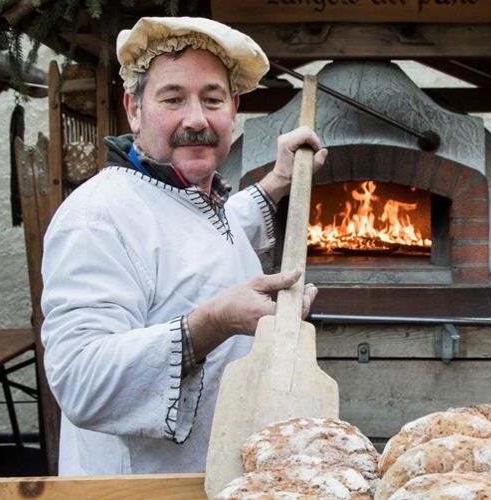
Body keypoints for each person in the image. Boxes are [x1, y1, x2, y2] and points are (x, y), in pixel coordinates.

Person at [40, 17, 327, 475]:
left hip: (215, 478)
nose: (196, 119)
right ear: (134, 108)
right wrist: (212, 322)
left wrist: (278, 181)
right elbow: (81, 381)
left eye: (212, 100)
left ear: (233, 109)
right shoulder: (96, 217)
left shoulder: (187, 197)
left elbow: (201, 244)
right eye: (173, 99)